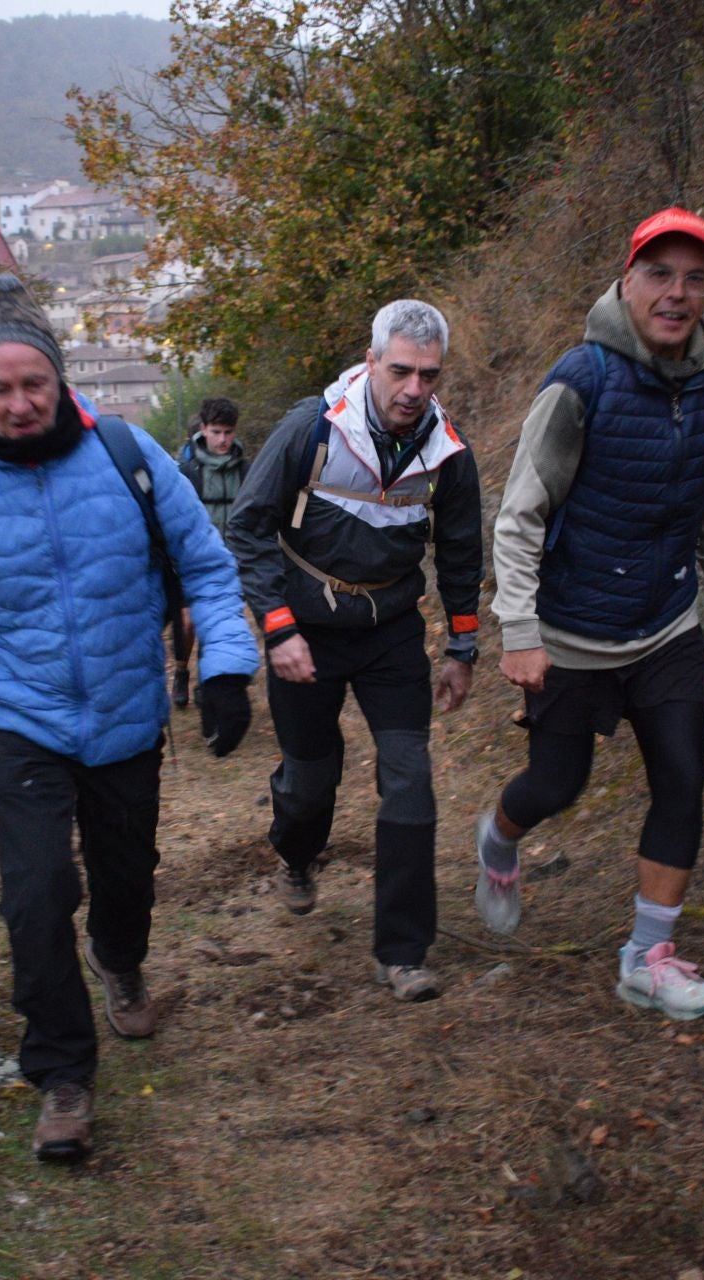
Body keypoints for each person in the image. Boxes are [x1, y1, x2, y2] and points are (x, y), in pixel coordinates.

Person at [0, 273, 258, 1162]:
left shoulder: (129, 455)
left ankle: (120, 961)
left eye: (33, 385)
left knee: (127, 883)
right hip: (23, 721)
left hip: (127, 715)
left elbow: (206, 563)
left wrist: (227, 669)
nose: (19, 404)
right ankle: (61, 1075)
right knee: (36, 893)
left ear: (59, 379)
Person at [478, 207, 704, 1021]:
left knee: (683, 777)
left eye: (695, 278)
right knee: (557, 785)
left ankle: (646, 958)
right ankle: (497, 839)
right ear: (627, 281)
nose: (677, 294)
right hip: (572, 629)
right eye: (660, 275)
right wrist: (520, 631)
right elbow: (522, 515)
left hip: (665, 623)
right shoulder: (581, 382)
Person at [228, 299, 483, 1003]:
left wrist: (463, 644)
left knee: (409, 779)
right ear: (371, 362)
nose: (413, 390)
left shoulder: (446, 450)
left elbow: (462, 550)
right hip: (306, 628)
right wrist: (277, 626)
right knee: (312, 782)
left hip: (392, 631)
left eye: (428, 376)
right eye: (400, 370)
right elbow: (247, 524)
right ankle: (297, 855)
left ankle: (403, 953)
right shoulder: (311, 428)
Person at [168, 397, 249, 708]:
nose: (223, 440)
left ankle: (207, 681)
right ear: (203, 429)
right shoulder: (188, 471)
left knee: (217, 623)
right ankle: (181, 671)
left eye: (228, 432)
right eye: (216, 432)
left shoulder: (245, 469)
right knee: (188, 623)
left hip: (229, 562)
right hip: (191, 561)